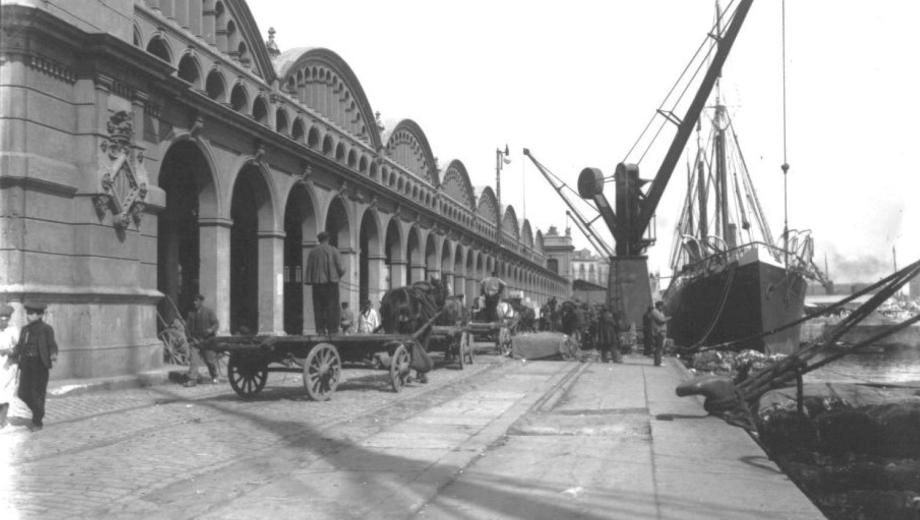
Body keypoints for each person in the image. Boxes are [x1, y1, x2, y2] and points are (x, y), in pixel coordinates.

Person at [13, 301, 58, 432]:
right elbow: (20, 346)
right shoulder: (25, 329)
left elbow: (52, 345)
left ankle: (37, 421)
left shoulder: (46, 329)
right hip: (26, 363)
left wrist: (53, 355)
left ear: (40, 315)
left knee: (37, 393)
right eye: (28, 313)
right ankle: (39, 411)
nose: (29, 316)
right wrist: (13, 352)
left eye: (32, 314)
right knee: (22, 393)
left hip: (40, 364)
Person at [304, 231, 345, 335]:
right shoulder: (334, 250)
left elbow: (309, 268)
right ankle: (332, 330)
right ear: (328, 239)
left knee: (318, 307)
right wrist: (339, 274)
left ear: (319, 239)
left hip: (317, 284)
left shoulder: (313, 252)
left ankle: (320, 330)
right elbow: (341, 268)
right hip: (331, 284)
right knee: (332, 306)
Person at [184, 294, 220, 387]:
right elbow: (187, 328)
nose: (194, 302)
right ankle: (192, 379)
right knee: (194, 360)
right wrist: (189, 338)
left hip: (207, 340)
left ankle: (214, 376)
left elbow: (216, 323)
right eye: (193, 301)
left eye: (196, 301)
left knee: (209, 361)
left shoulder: (209, 312)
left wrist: (211, 330)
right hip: (195, 340)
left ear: (201, 302)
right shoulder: (191, 313)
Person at [0, 303, 20, 429]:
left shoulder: (13, 330)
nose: (3, 323)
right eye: (1, 320)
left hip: (8, 366)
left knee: (6, 392)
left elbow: (19, 347)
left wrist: (11, 351)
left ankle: (3, 418)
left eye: (6, 320)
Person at [651, 301, 671, 367]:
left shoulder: (659, 312)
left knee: (660, 347)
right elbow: (661, 320)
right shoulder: (655, 312)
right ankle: (658, 362)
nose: (663, 307)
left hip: (661, 332)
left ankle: (658, 361)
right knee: (659, 348)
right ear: (659, 306)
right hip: (658, 332)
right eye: (662, 306)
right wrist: (668, 318)